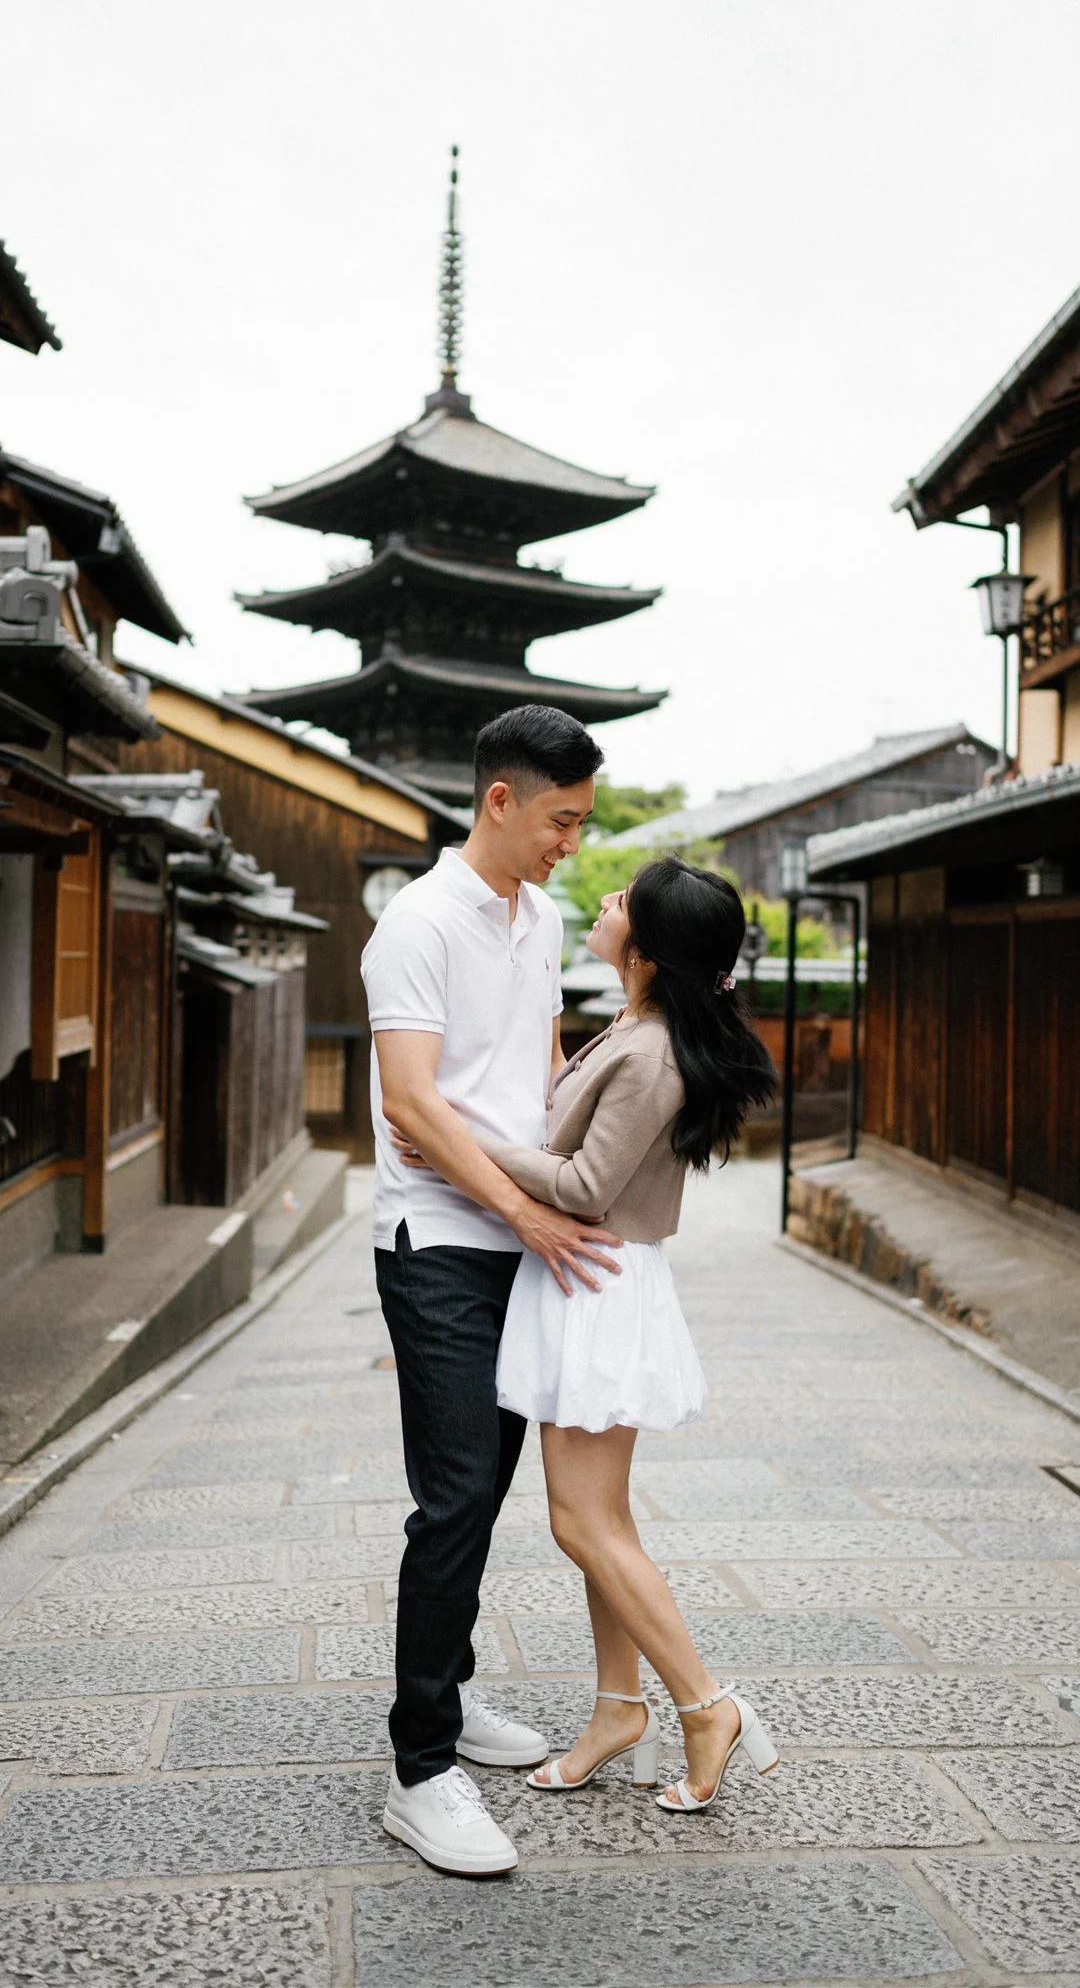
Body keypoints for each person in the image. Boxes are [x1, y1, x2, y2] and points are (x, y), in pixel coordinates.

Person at [406, 856, 779, 1811]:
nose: (604, 905)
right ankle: (620, 1708)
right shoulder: (637, 1027)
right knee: (600, 1523)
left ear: (646, 951)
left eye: (622, 904)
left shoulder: (651, 1053)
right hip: (588, 1281)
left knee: (582, 1522)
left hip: (596, 1282)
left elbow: (581, 1189)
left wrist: (454, 1137)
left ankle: (705, 1703)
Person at [362, 704, 624, 1877]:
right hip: (440, 1240)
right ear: (499, 799)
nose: (570, 841)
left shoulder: (544, 911)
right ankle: (420, 1768)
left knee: (492, 1480)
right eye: (560, 819)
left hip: (522, 1229)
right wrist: (521, 1205)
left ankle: (451, 1699)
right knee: (457, 1489)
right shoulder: (415, 922)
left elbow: (532, 1065)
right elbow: (414, 1100)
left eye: (581, 821)